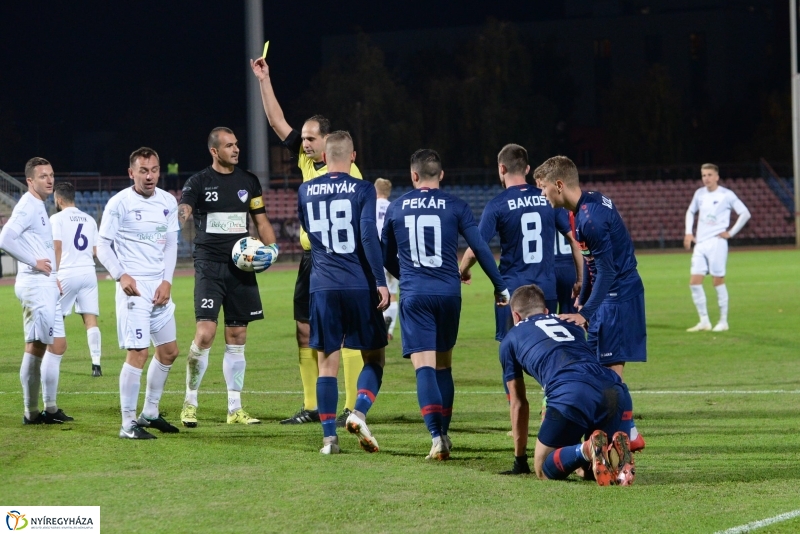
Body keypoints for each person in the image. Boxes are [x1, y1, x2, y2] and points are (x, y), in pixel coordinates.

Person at [251, 56, 365, 426]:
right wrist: (264, 80)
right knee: (303, 329)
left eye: (310, 138)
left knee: (343, 334)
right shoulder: (304, 159)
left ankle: (350, 407)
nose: (304, 143)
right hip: (309, 260)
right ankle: (312, 406)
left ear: (328, 141)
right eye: (303, 139)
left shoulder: (349, 172)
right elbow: (275, 121)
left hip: (340, 259)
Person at [382, 149, 510, 460]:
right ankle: (446, 432)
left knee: (424, 366)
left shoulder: (397, 208)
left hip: (415, 295)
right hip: (449, 293)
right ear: (441, 175)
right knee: (444, 365)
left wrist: (408, 276)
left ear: (414, 176)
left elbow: (384, 257)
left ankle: (437, 437)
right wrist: (500, 286)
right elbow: (479, 246)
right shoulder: (457, 206)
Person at [535, 156, 645, 452]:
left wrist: (585, 314)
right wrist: (581, 296)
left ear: (559, 185)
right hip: (606, 297)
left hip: (618, 297)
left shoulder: (590, 218)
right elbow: (590, 261)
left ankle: (624, 436)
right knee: (601, 371)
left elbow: (607, 271)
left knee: (610, 375)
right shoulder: (580, 209)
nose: (542, 195)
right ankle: (619, 434)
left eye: (544, 188)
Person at [178, 128, 278, 427]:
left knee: (237, 336)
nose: (236, 149)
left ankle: (235, 408)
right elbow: (185, 206)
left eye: (237, 144)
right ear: (214, 150)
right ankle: (189, 402)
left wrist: (271, 249)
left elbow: (260, 220)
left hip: (241, 268)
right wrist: (182, 213)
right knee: (205, 334)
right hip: (209, 266)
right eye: (229, 145)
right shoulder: (199, 181)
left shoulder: (249, 181)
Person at [297, 131, 389, 454]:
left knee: (326, 364)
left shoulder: (306, 190)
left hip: (322, 285)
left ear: (323, 157)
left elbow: (308, 231)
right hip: (358, 283)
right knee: (375, 357)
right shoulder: (363, 188)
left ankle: (328, 440)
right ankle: (359, 412)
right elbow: (367, 236)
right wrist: (380, 280)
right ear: (352, 157)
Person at [499, 284, 636, 486]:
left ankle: (587, 449)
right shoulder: (571, 322)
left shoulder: (509, 340)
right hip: (613, 388)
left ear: (516, 316)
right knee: (588, 471)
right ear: (546, 311)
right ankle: (605, 453)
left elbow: (518, 402)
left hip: (571, 391)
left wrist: (520, 461)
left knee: (543, 468)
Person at [96, 147, 181, 439]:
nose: (150, 176)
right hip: (134, 289)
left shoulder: (168, 201)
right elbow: (102, 246)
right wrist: (121, 275)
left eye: (154, 170)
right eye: (143, 171)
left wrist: (167, 281)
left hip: (159, 287)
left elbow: (170, 245)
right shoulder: (119, 203)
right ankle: (127, 423)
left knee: (169, 352)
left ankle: (150, 414)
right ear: (131, 173)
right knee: (138, 353)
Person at [459, 144, 582, 342]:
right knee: (545, 349)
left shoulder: (497, 205)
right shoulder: (547, 196)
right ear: (527, 169)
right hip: (546, 290)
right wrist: (580, 279)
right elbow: (574, 241)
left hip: (510, 290)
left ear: (501, 168)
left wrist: (463, 270)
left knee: (510, 351)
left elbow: (475, 250)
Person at [0, 157, 72, 425]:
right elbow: (5, 238)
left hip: (45, 284)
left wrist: (51, 275)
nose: (50, 179)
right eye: (43, 176)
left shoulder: (39, 205)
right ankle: (31, 413)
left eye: (51, 174)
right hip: (34, 284)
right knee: (36, 347)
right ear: (30, 181)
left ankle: (48, 409)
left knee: (45, 346)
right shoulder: (28, 205)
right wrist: (33, 262)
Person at [684, 163, 751, 332]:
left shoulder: (726, 195)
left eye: (709, 175)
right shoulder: (699, 194)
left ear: (716, 176)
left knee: (717, 281)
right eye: (703, 175)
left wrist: (731, 233)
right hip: (700, 243)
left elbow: (745, 213)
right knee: (694, 282)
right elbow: (690, 212)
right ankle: (704, 321)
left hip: (717, 243)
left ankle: (723, 321)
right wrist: (688, 233)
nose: (706, 178)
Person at [50, 182, 102, 377]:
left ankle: (52, 361)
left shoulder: (56, 219)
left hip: (66, 273)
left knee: (55, 318)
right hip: (88, 273)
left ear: (59, 199)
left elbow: (57, 248)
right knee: (90, 320)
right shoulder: (89, 220)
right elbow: (97, 251)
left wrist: (53, 275)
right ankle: (96, 364)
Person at [374, 178, 399, 340]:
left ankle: (379, 324)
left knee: (376, 292)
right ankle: (389, 330)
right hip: (394, 256)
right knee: (393, 293)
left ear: (375, 190)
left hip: (375, 255)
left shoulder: (369, 207)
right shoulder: (394, 208)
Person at [553, 210, 580, 314]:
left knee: (544, 317)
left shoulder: (542, 207)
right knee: (572, 318)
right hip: (572, 266)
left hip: (547, 268)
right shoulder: (576, 207)